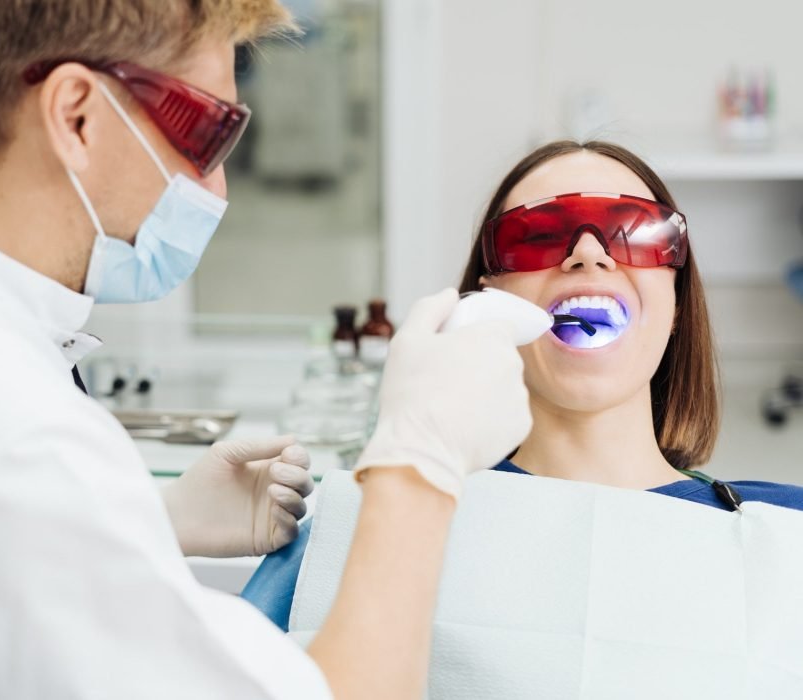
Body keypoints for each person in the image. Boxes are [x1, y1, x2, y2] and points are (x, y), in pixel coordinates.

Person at [0, 1, 534, 698]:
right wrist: (418, 461)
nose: (214, 185)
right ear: (77, 117)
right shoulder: (11, 437)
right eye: (207, 135)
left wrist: (148, 519)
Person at [243, 139, 803, 631]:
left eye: (634, 232)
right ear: (488, 300)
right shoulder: (367, 526)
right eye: (536, 235)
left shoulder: (784, 532)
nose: (588, 253)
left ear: (676, 304)